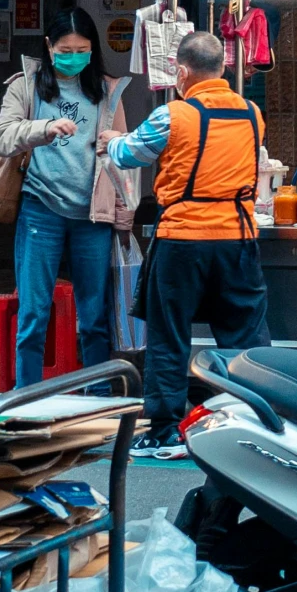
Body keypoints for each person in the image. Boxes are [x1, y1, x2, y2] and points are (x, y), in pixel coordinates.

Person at [109, 28, 268, 458]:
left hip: (183, 239)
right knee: (244, 338)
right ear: (223, 68)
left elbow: (128, 155)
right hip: (238, 239)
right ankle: (256, 422)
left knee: (169, 335)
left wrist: (112, 142)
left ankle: (164, 429)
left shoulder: (173, 115)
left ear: (180, 71)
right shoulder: (253, 113)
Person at [0, 8, 132, 387]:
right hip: (41, 211)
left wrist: (123, 211)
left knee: (95, 317)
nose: (73, 56)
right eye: (65, 49)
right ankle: (26, 398)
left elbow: (127, 157)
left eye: (82, 49)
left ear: (92, 50)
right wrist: (44, 128)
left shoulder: (106, 91)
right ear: (49, 48)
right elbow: (2, 139)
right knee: (34, 313)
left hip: (92, 216)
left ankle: (99, 397)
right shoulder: (26, 86)